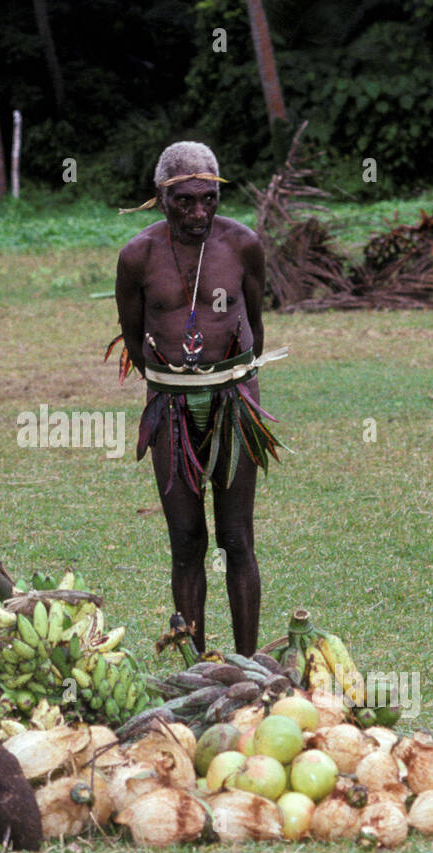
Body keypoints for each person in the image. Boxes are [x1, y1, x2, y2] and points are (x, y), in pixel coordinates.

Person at [113, 142, 288, 657]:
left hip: (234, 402)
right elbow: (133, 336)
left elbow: (253, 324)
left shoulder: (243, 244)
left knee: (237, 537)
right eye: (185, 201)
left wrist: (231, 379)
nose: (198, 213)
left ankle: (249, 664)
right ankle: (197, 667)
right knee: (186, 541)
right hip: (170, 406)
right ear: (160, 198)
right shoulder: (138, 256)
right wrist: (176, 384)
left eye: (208, 199)